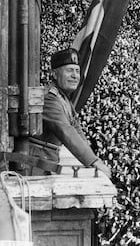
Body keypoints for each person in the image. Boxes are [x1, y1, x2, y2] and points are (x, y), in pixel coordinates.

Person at [30, 48, 111, 178]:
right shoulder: (49, 98)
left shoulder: (63, 98)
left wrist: (93, 158)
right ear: (55, 74)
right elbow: (65, 130)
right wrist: (93, 161)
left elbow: (76, 128)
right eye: (69, 70)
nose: (75, 76)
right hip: (34, 166)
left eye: (77, 71)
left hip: (44, 161)